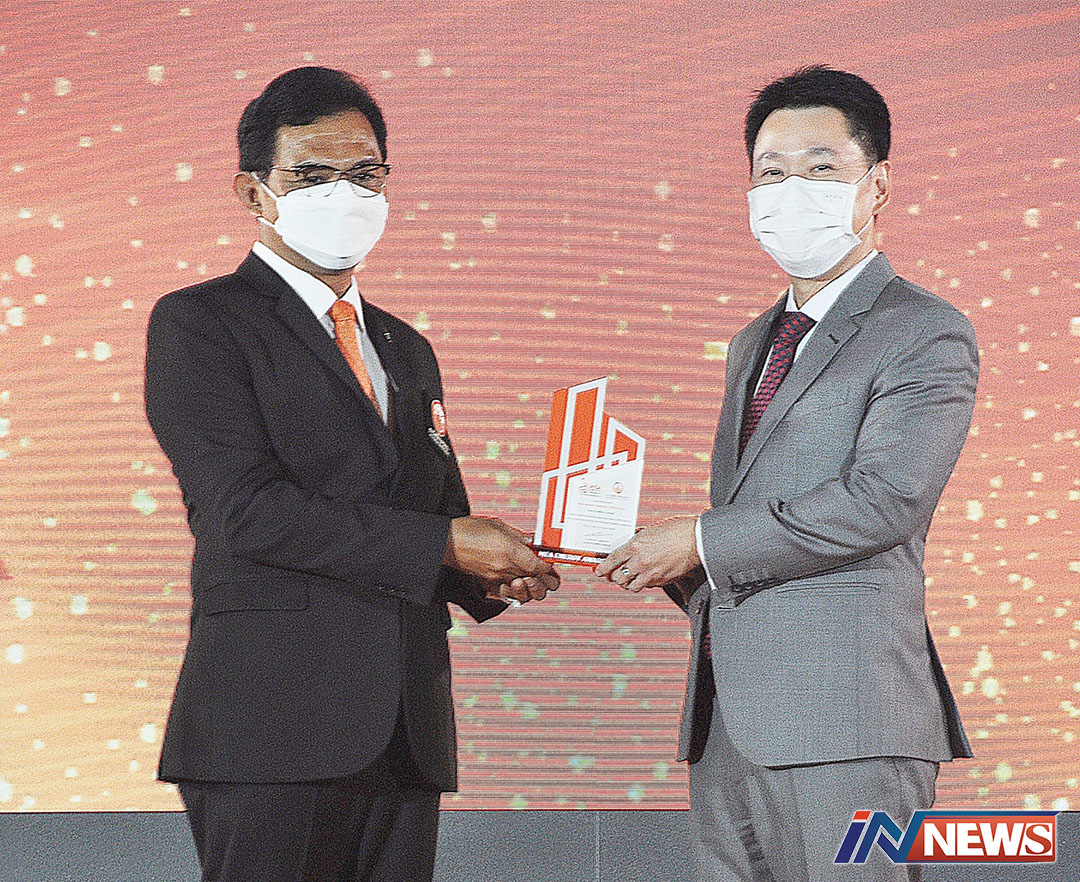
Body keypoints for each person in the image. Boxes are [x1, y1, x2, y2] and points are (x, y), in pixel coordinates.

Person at [144, 66, 558, 882]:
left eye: (365, 173)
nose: (345, 194)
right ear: (255, 192)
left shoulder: (405, 347)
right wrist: (447, 544)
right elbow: (244, 513)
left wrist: (498, 571)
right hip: (271, 728)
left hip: (405, 731)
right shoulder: (201, 323)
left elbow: (435, 515)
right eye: (312, 175)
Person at [596, 66, 977, 881]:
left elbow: (883, 503)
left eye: (820, 167)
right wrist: (656, 557)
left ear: (878, 185)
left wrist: (699, 541)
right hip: (729, 718)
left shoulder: (924, 330)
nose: (790, 190)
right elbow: (754, 522)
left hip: (848, 717)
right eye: (770, 172)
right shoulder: (753, 342)